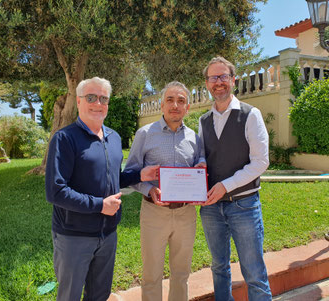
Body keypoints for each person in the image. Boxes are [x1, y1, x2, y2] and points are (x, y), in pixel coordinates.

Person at [45, 77, 158, 301]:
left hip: (108, 235)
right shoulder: (64, 139)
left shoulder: (113, 138)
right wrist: (100, 205)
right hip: (74, 236)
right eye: (91, 97)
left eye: (103, 98)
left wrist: (139, 175)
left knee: (99, 295)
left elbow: (112, 179)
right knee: (69, 296)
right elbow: (55, 191)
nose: (98, 103)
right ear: (78, 101)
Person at [198, 57, 272, 301]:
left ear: (233, 80)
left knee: (254, 273)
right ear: (207, 83)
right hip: (210, 208)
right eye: (213, 78)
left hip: (244, 205)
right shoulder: (203, 121)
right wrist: (198, 168)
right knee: (219, 267)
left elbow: (261, 162)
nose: (218, 82)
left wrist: (225, 186)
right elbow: (203, 157)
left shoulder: (251, 115)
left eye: (223, 77)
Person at [124, 81, 205, 301]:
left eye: (181, 101)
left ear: (187, 108)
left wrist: (201, 171)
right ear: (162, 105)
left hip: (186, 214)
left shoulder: (194, 138)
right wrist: (149, 189)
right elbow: (130, 172)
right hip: (154, 213)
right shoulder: (145, 134)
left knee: (181, 273)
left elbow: (200, 163)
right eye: (170, 100)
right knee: (151, 274)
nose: (175, 105)